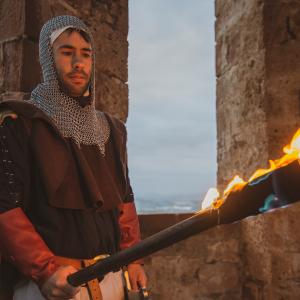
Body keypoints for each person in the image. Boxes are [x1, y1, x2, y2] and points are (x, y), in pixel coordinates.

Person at [0, 15, 147, 300]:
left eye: (86, 55)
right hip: (53, 286)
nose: (78, 63)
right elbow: (5, 207)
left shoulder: (112, 130)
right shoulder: (19, 124)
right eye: (67, 53)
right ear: (47, 58)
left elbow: (124, 201)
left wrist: (133, 260)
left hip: (113, 282)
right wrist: (45, 270)